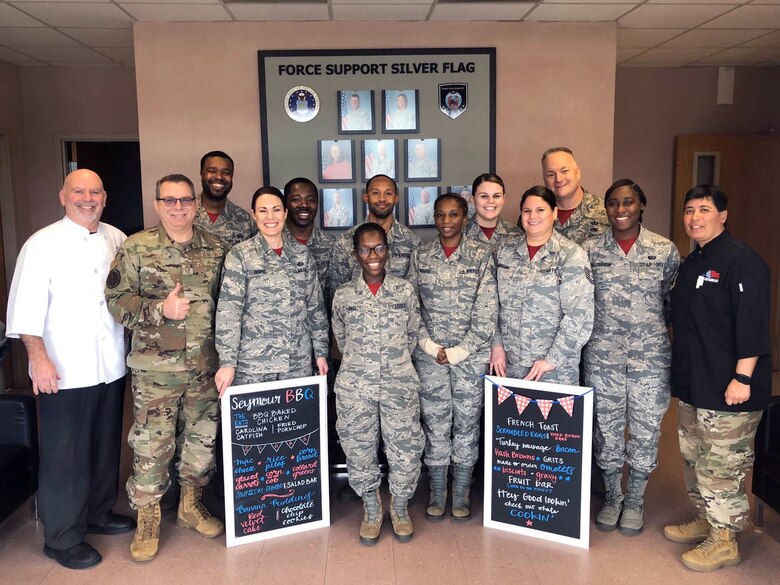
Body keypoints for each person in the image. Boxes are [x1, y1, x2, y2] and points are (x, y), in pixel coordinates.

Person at [6, 169, 133, 570]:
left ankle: (98, 512)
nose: (87, 198)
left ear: (105, 197)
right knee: (66, 454)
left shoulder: (117, 238)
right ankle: (61, 537)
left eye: (95, 191)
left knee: (103, 444)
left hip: (109, 364)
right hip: (62, 367)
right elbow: (25, 309)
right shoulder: (41, 244)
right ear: (63, 196)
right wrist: (37, 358)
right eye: (79, 191)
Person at [105, 174, 227, 562]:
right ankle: (148, 516)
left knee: (201, 439)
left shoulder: (216, 248)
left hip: (205, 365)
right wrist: (161, 310)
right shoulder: (136, 247)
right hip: (156, 370)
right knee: (151, 444)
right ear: (157, 204)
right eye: (169, 201)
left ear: (195, 203)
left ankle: (191, 505)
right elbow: (116, 299)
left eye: (185, 200)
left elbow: (229, 305)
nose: (178, 207)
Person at [664, 185, 771, 572]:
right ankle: (708, 520)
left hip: (731, 389)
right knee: (695, 459)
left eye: (704, 209)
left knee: (721, 465)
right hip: (697, 384)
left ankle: (725, 541)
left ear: (722, 216)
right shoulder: (693, 262)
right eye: (689, 210)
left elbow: (754, 326)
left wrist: (742, 378)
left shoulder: (742, 263)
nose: (695, 217)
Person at [582, 179, 680, 535]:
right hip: (603, 359)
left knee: (644, 431)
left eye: (628, 203)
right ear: (605, 209)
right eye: (613, 203)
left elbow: (672, 306)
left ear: (641, 206)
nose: (620, 210)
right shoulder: (590, 251)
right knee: (606, 431)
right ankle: (612, 496)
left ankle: (635, 498)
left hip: (650, 360)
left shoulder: (664, 250)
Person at [332, 223, 425, 544]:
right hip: (356, 387)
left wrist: (392, 364)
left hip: (399, 384)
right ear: (355, 253)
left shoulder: (404, 291)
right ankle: (371, 509)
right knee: (358, 449)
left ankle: (399, 507)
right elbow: (341, 341)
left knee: (405, 449)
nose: (373, 256)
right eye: (365, 249)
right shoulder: (343, 296)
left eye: (379, 248)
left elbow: (413, 335)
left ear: (388, 250)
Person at [409, 193, 497, 521]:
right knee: (434, 423)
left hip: (469, 357)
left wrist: (461, 350)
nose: (447, 222)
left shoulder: (480, 255)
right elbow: (411, 306)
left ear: (465, 217)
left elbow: (487, 308)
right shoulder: (422, 255)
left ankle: (460, 488)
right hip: (431, 357)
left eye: (454, 215)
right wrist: (431, 347)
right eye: (441, 215)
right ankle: (436, 488)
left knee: (466, 423)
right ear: (434, 218)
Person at [215, 186, 329, 393]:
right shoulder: (240, 255)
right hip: (253, 365)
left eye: (276, 210)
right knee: (255, 423)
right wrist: (227, 362)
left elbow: (315, 307)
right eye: (263, 210)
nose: (270, 217)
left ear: (285, 213)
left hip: (297, 361)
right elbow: (229, 312)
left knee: (294, 423)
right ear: (253, 215)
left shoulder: (302, 254)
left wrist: (320, 352)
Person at [490, 186, 593, 383]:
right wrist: (496, 345)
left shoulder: (571, 255)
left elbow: (579, 315)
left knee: (552, 414)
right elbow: (491, 303)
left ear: (554, 213)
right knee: (512, 415)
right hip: (510, 365)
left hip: (554, 369)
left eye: (540, 210)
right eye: (527, 211)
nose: (532, 216)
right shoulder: (504, 252)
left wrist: (551, 360)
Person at [329, 174, 421, 295]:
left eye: (388, 193)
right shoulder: (345, 241)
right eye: (375, 193)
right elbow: (337, 292)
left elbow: (414, 294)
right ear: (366, 197)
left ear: (396, 198)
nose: (382, 199)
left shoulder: (413, 242)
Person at [541, 147, 608, 245]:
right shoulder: (534, 217)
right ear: (544, 180)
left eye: (564, 171)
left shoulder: (606, 213)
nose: (558, 179)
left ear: (578, 173)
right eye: (551, 174)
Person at [284, 177, 334, 300]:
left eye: (311, 200)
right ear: (285, 203)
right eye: (296, 200)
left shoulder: (331, 244)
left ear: (317, 203)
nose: (304, 205)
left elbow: (335, 290)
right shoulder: (274, 242)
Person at [194, 150, 256, 247]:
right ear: (202, 175)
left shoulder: (245, 220)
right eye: (212, 171)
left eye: (226, 173)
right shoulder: (182, 213)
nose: (219, 177)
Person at [464, 173, 521, 251]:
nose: (491, 201)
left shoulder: (516, 234)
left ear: (504, 199)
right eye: (484, 196)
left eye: (496, 196)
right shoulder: (460, 233)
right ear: (473, 199)